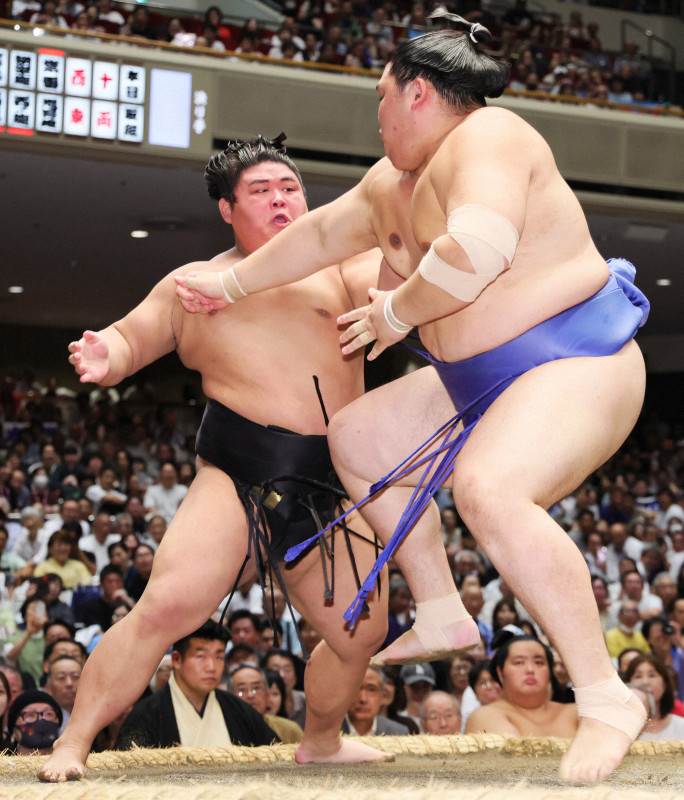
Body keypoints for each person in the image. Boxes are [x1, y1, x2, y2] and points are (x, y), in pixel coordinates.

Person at [177, 11, 649, 782]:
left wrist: (395, 313)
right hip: (477, 381)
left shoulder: (492, 138)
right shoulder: (388, 184)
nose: (379, 114)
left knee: (490, 490)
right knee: (359, 435)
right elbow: (317, 238)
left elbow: (478, 250)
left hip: (575, 360)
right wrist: (228, 285)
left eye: (382, 98)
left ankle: (605, 696)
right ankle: (439, 606)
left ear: (417, 93)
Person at [39, 134, 397, 783]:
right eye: (261, 191)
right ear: (228, 209)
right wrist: (107, 354)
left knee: (361, 631)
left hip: (330, 482)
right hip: (237, 474)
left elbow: (399, 283)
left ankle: (321, 739)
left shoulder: (343, 267)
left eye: (290, 188)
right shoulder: (194, 285)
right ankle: (74, 742)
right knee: (165, 608)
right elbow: (132, 337)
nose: (281, 200)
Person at [115, 622, 277, 749]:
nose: (211, 667)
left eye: (219, 657)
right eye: (201, 656)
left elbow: (275, 755)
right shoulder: (146, 715)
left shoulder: (239, 710)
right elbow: (127, 773)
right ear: (176, 660)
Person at [466, 636, 577, 737]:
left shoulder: (574, 713)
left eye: (539, 662)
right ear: (500, 673)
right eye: (519, 662)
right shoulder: (485, 716)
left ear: (550, 671)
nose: (530, 669)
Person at [229, 662, 303, 743]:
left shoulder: (289, 730)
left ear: (267, 694)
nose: (250, 695)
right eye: (241, 690)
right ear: (230, 696)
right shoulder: (225, 729)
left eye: (256, 688)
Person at [625, 655, 684, 741]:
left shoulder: (681, 726)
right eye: (638, 676)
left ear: (664, 684)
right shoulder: (620, 729)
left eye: (652, 675)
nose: (645, 682)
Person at [343, 666, 410, 736]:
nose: (363, 699)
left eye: (371, 690)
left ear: (382, 696)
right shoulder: (334, 729)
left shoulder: (398, 732)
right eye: (356, 688)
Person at [6, 690, 63, 755]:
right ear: (14, 726)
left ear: (57, 720)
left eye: (48, 714)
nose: (41, 719)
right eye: (30, 715)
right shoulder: (2, 760)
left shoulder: (70, 759)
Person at [45, 656, 82, 734]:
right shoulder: (43, 719)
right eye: (61, 678)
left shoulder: (98, 716)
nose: (69, 683)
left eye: (75, 677)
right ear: (48, 687)